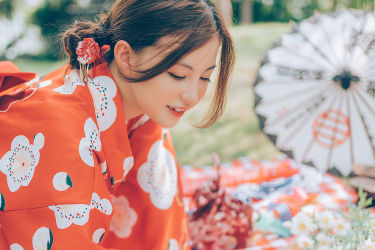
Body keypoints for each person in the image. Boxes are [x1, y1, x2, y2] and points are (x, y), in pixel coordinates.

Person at [0, 0, 234, 249]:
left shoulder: (143, 110)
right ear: (126, 56)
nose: (192, 95)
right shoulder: (60, 133)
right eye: (178, 75)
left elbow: (161, 230)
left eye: (205, 77)